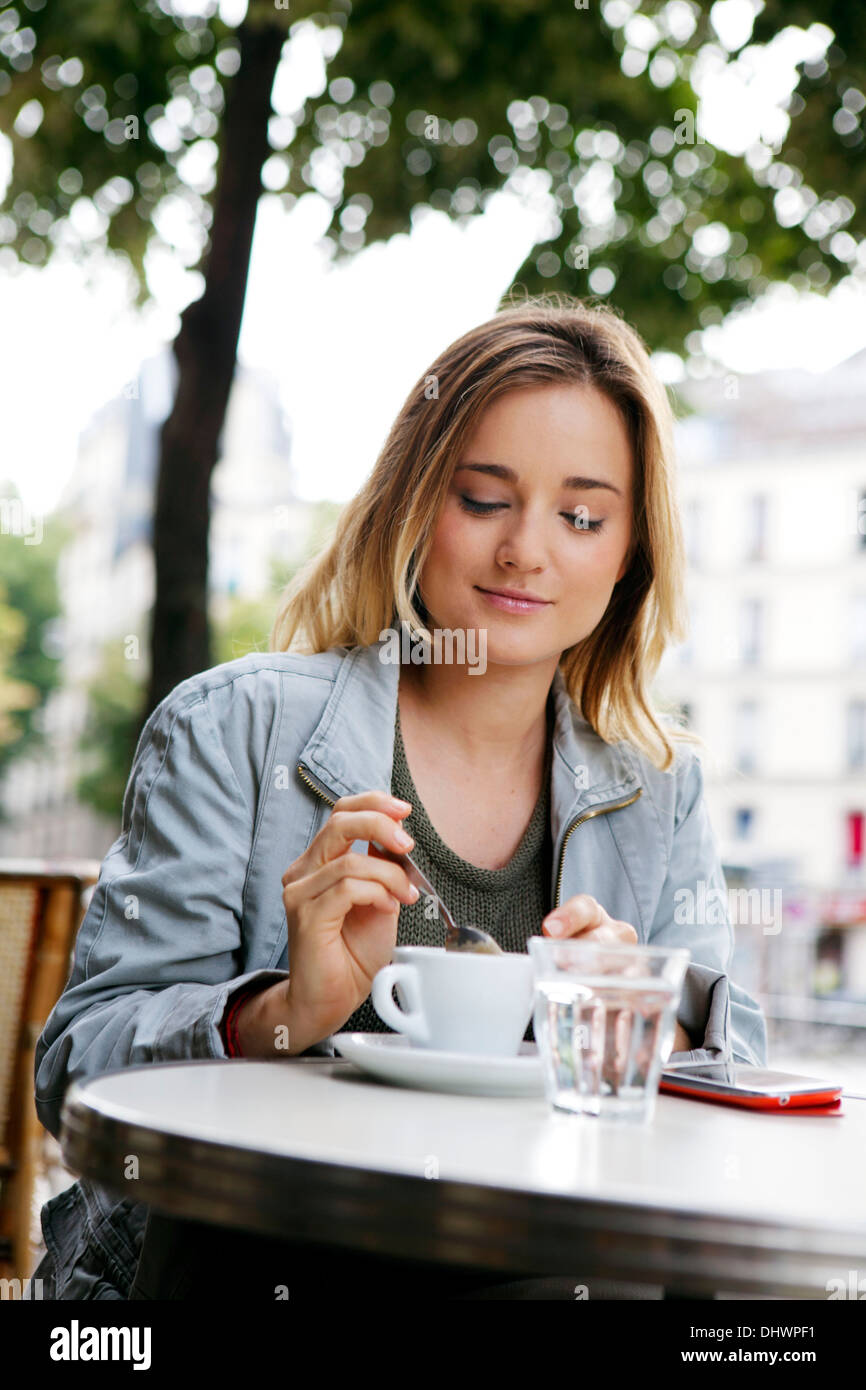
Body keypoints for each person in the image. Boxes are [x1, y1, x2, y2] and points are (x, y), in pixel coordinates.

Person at [30, 293, 767, 1301]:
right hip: (254, 1253)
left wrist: (650, 1023)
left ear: (630, 550)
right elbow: (75, 1069)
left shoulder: (657, 782)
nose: (525, 551)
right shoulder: (233, 727)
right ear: (415, 502)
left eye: (582, 515)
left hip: (534, 1251)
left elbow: (741, 1069)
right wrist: (281, 1014)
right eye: (481, 499)